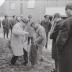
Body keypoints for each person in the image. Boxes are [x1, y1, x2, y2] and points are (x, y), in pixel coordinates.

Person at [56, 3, 72, 72]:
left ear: (69, 10)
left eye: (66, 10)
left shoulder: (67, 22)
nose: (65, 12)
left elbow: (60, 41)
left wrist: (59, 50)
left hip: (67, 54)